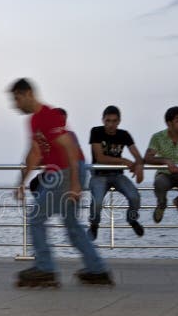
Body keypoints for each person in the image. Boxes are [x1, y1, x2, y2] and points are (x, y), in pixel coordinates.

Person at [11, 79, 113, 287]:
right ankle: (97, 269)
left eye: (17, 98)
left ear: (29, 93)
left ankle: (45, 269)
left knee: (36, 216)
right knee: (72, 225)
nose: (15, 104)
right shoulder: (33, 121)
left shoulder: (49, 116)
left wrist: (75, 184)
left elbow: (70, 149)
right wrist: (21, 181)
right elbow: (34, 153)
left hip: (65, 173)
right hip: (58, 174)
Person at [87, 105, 145, 239]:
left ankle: (132, 219)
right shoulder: (96, 132)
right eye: (108, 121)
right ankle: (94, 224)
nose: (111, 124)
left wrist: (139, 166)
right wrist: (124, 160)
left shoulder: (124, 134)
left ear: (119, 121)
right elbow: (100, 158)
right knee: (97, 202)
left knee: (135, 196)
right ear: (103, 120)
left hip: (117, 175)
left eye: (114, 121)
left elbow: (137, 156)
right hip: (99, 175)